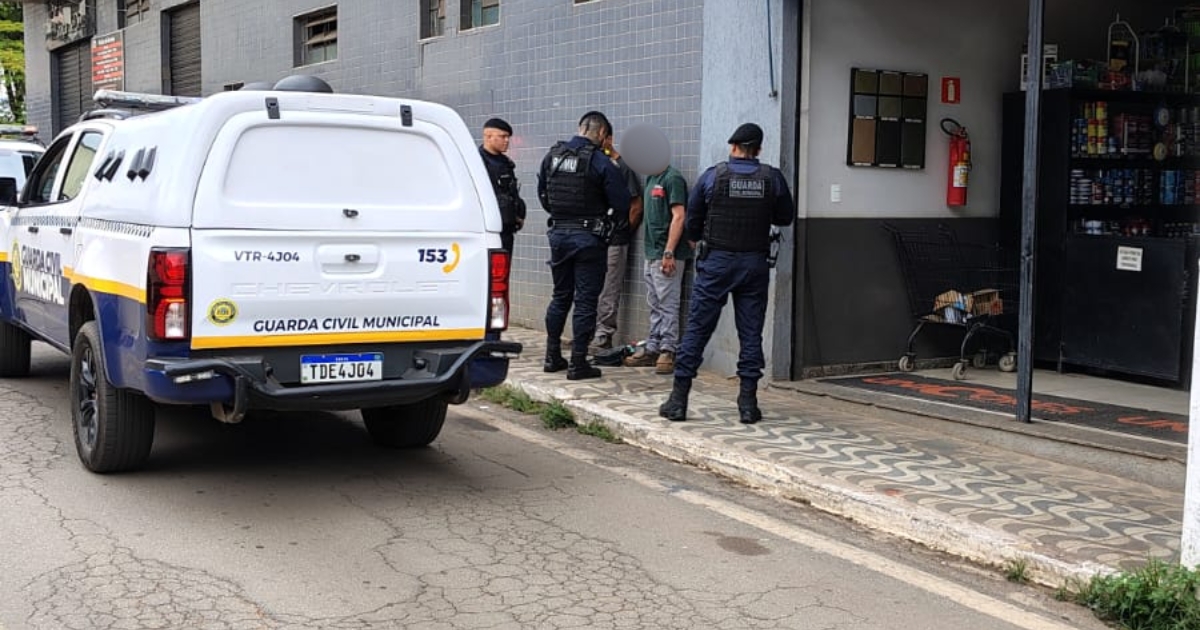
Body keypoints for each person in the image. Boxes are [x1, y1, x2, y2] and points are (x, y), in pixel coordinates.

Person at [658, 123, 795, 424]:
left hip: (716, 263)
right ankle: (748, 404)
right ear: (758, 149)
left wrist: (701, 240)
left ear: (733, 147)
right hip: (754, 263)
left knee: (697, 329)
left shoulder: (713, 176)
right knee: (751, 333)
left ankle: (678, 400)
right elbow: (786, 216)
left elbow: (693, 222)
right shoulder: (772, 178)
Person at [537, 111, 632, 380]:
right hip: (589, 239)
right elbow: (622, 203)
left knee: (560, 296)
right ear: (602, 133)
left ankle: (552, 356)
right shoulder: (600, 161)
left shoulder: (552, 156)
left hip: (559, 235)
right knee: (586, 301)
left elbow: (543, 195)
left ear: (580, 128)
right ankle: (578, 363)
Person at [623, 159, 689, 375]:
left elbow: (679, 216)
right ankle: (653, 347)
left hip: (667, 254)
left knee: (668, 303)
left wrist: (669, 252)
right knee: (654, 303)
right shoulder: (651, 179)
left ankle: (668, 350)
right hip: (652, 253)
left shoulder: (673, 178)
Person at [589, 122, 644, 355]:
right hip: (595, 238)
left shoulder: (621, 167)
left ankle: (603, 335)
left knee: (609, 288)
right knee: (591, 286)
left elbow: (636, 206)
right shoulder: (594, 164)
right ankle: (587, 333)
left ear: (608, 139)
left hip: (615, 239)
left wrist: (622, 232)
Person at [479, 118, 526, 252]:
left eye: (508, 137)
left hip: (506, 228)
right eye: (502, 136)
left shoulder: (506, 163)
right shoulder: (477, 162)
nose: (507, 141)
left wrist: (518, 213)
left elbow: (511, 192)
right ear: (488, 136)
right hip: (486, 229)